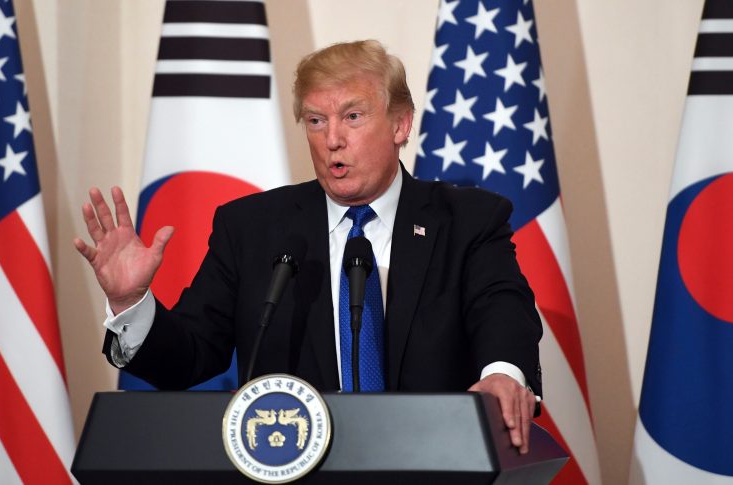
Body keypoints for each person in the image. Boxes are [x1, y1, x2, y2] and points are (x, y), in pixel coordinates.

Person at [74, 40, 542, 454]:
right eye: (316, 121)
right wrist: (131, 301)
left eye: (352, 117)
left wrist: (503, 374)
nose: (332, 139)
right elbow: (190, 358)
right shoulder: (252, 227)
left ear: (401, 124)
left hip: (435, 462)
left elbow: (502, 308)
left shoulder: (467, 221)